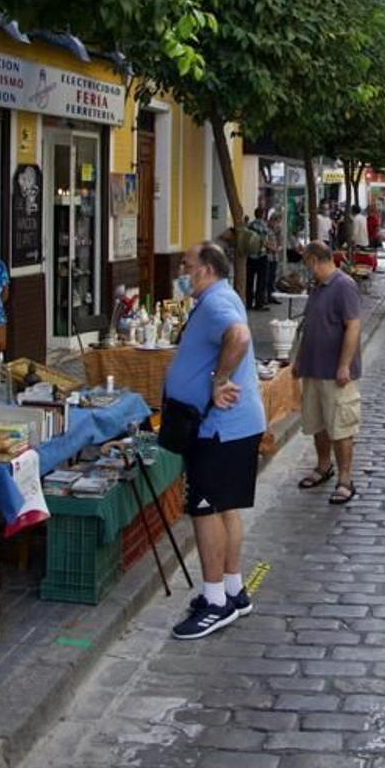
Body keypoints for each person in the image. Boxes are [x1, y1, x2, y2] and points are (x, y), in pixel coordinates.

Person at [165, 242, 267, 640]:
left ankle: (215, 602)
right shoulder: (217, 297)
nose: (181, 270)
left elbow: (239, 336)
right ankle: (233, 587)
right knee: (226, 508)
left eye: (186, 265)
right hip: (230, 426)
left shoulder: (216, 303)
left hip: (219, 428)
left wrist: (218, 380)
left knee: (206, 510)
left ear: (206, 269)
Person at [292, 242, 363, 505]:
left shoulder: (343, 285)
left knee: (341, 426)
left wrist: (344, 364)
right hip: (314, 368)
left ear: (313, 260)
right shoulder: (318, 288)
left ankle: (345, 479)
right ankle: (324, 466)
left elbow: (353, 326)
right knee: (318, 423)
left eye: (306, 263)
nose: (306, 268)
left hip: (335, 373)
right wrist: (299, 360)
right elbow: (309, 326)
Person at [241, 207, 271, 310]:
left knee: (249, 281)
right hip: (261, 256)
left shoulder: (250, 225)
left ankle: (248, 303)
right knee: (261, 282)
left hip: (250, 256)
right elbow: (265, 241)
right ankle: (259, 304)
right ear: (263, 214)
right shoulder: (264, 226)